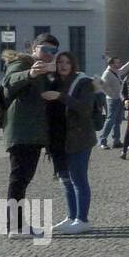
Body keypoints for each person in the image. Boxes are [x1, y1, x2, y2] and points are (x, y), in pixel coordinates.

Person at [1, 34, 60, 236]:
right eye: (44, 49)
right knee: (18, 179)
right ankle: (15, 226)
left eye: (53, 51)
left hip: (33, 133)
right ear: (34, 47)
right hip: (22, 132)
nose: (48, 54)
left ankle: (16, 225)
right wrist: (30, 74)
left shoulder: (46, 70)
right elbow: (9, 82)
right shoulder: (22, 62)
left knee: (23, 179)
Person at [44, 51, 98, 234]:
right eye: (60, 62)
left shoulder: (84, 83)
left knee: (78, 179)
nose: (63, 65)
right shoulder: (54, 82)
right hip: (60, 139)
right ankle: (71, 216)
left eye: (67, 62)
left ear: (73, 64)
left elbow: (84, 109)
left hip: (79, 138)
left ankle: (82, 219)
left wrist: (60, 97)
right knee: (65, 180)